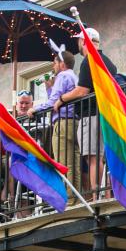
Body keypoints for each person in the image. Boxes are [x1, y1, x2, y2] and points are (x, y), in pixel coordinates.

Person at [58, 27, 117, 196]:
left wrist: (61, 100)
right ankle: (105, 194)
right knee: (102, 157)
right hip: (105, 113)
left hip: (91, 114)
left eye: (78, 40)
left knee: (92, 156)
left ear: (83, 41)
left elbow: (81, 91)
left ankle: (96, 195)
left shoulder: (89, 59)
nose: (77, 44)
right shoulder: (108, 61)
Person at [28, 50, 80, 196]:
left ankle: (69, 199)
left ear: (62, 64)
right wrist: (50, 87)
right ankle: (76, 196)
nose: (53, 66)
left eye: (55, 63)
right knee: (74, 161)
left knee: (63, 162)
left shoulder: (62, 76)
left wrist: (35, 109)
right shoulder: (73, 77)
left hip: (63, 122)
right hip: (74, 121)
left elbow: (52, 103)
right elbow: (57, 100)